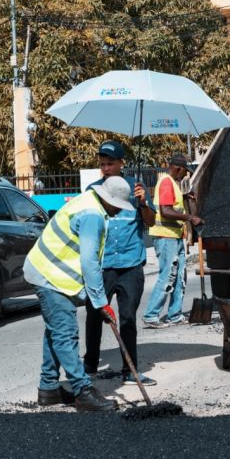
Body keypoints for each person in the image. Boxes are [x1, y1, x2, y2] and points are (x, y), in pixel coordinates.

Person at [23, 176, 134, 412]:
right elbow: (89, 261)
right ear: (110, 200)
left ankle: (49, 388)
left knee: (55, 331)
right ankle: (83, 391)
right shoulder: (93, 215)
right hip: (50, 275)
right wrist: (101, 301)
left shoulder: (89, 201)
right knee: (65, 333)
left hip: (49, 271)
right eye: (118, 206)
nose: (118, 212)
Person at [84, 140, 158, 386]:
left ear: (121, 164)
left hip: (130, 265)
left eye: (110, 164)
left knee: (127, 318)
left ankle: (130, 369)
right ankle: (90, 366)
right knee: (94, 315)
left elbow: (151, 222)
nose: (105, 168)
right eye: (102, 164)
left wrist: (144, 203)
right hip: (103, 267)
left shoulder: (135, 188)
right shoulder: (93, 190)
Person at [143, 155, 203, 328]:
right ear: (177, 168)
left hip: (175, 236)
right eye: (185, 171)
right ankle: (151, 314)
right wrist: (190, 217)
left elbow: (173, 205)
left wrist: (185, 198)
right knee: (168, 276)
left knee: (180, 277)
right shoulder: (167, 182)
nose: (185, 175)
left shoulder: (174, 185)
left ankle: (174, 314)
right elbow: (166, 211)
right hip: (165, 237)